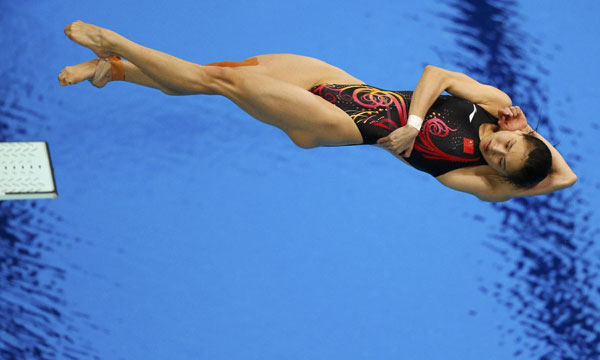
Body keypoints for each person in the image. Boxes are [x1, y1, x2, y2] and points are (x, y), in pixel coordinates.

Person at [59, 21, 577, 202]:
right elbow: (433, 73)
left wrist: (523, 158)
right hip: (341, 83)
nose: (496, 147)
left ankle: (115, 43)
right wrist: (528, 131)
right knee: (222, 73)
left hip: (336, 124)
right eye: (507, 144)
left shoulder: (474, 178)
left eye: (501, 159)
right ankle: (116, 71)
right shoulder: (494, 105)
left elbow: (565, 178)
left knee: (223, 81)